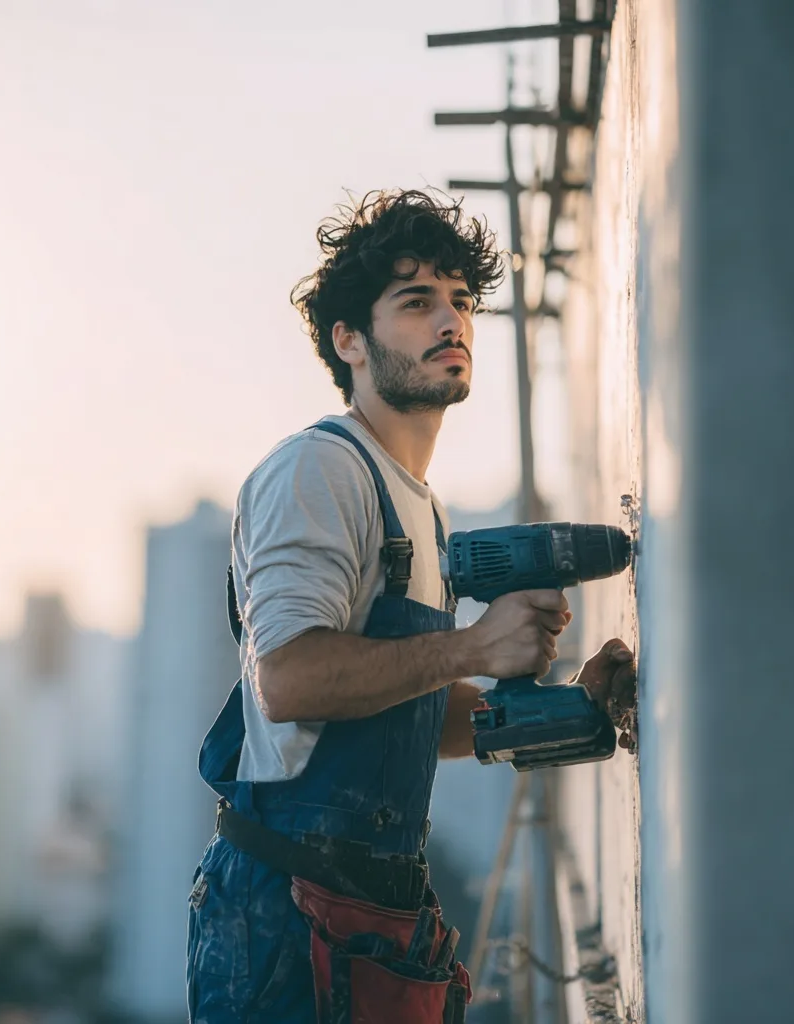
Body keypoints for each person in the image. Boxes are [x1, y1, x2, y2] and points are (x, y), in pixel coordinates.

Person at [186, 189, 637, 1024]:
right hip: (285, 920)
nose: (450, 322)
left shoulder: (421, 508)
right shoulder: (319, 472)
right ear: (348, 339)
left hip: (375, 915)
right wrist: (473, 647)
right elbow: (288, 679)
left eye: (461, 302)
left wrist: (574, 711)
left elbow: (408, 715)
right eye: (417, 302)